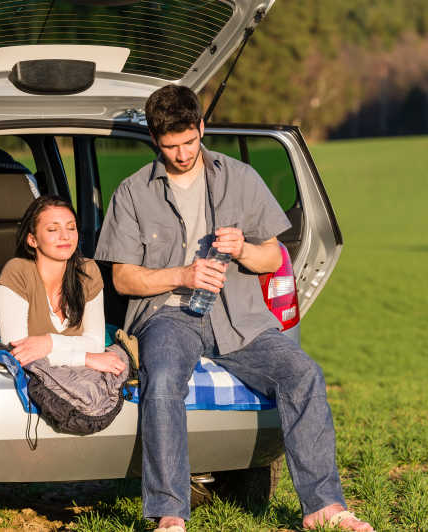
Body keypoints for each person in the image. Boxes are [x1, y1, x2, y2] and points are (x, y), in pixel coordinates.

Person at [94, 85, 374, 532]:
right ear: (154, 141)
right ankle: (170, 513)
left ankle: (323, 506)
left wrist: (244, 247)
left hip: (239, 316)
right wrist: (181, 276)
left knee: (304, 373)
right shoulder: (131, 194)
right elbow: (123, 279)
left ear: (202, 127)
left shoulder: (241, 178)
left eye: (189, 141)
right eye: (171, 146)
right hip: (167, 315)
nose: (183, 153)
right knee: (163, 379)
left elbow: (272, 258)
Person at [0, 195, 126, 376]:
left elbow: (95, 343)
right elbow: (17, 354)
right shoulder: (17, 271)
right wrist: (85, 358)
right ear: (32, 240)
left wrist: (49, 342)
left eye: (71, 228)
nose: (65, 236)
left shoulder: (88, 271)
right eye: (52, 229)